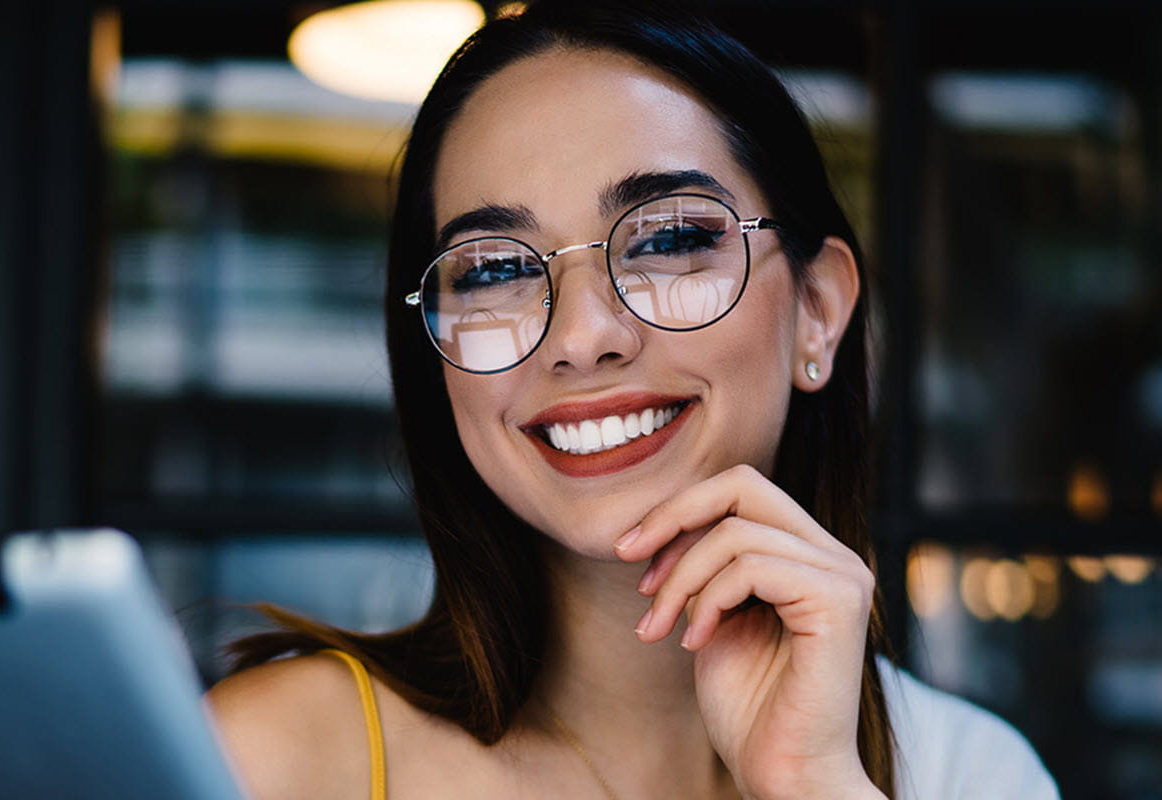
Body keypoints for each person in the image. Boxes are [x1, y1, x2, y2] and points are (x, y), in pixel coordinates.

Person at [203, 2, 1059, 799]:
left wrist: (816, 785)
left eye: (670, 239)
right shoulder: (270, 760)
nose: (582, 336)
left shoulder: (968, 774)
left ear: (818, 311)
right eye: (497, 269)